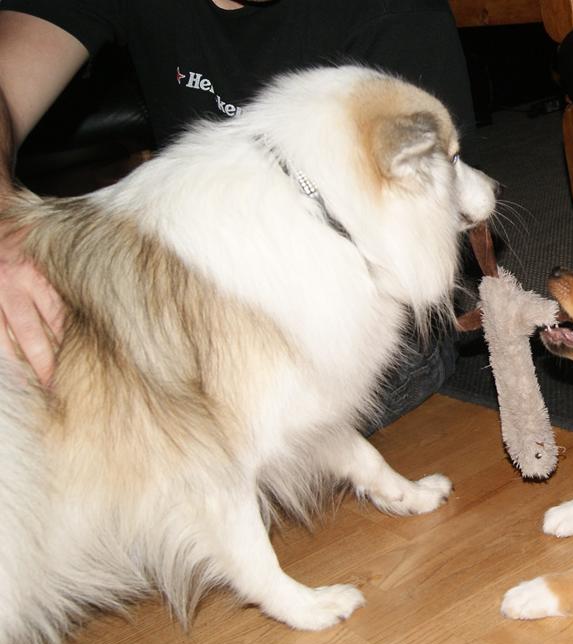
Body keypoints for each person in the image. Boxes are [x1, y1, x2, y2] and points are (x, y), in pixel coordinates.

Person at [0, 0, 476, 430]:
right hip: (184, 281)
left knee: (142, 436)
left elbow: (416, 244)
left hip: (362, 297)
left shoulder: (399, 14)